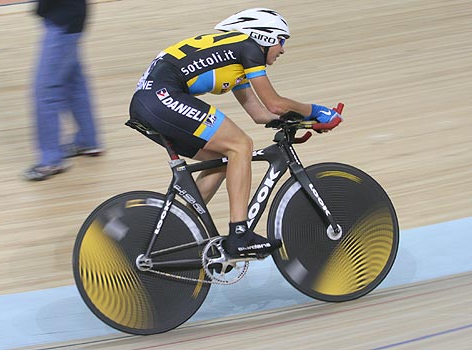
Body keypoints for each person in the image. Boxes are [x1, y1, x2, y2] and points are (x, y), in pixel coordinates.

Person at [129, 8, 342, 257]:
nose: (282, 49)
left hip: (149, 102)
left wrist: (296, 122)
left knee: (220, 160)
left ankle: (175, 229)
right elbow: (274, 103)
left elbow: (260, 113)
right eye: (281, 41)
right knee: (240, 145)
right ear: (266, 37)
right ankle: (240, 234)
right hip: (161, 98)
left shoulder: (233, 55)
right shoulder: (248, 47)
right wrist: (316, 111)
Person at [23, 0, 103, 181]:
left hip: (63, 22)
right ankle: (88, 141)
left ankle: (51, 160)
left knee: (46, 91)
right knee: (74, 82)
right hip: (70, 19)